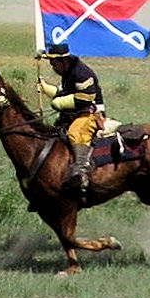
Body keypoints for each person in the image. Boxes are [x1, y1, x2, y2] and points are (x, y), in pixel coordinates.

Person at [37, 45, 105, 192]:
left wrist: (59, 103)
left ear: (64, 61)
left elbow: (86, 97)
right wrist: (45, 88)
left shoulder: (81, 73)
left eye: (54, 63)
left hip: (89, 113)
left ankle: (81, 172)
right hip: (74, 114)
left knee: (76, 133)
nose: (52, 66)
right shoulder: (67, 73)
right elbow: (64, 92)